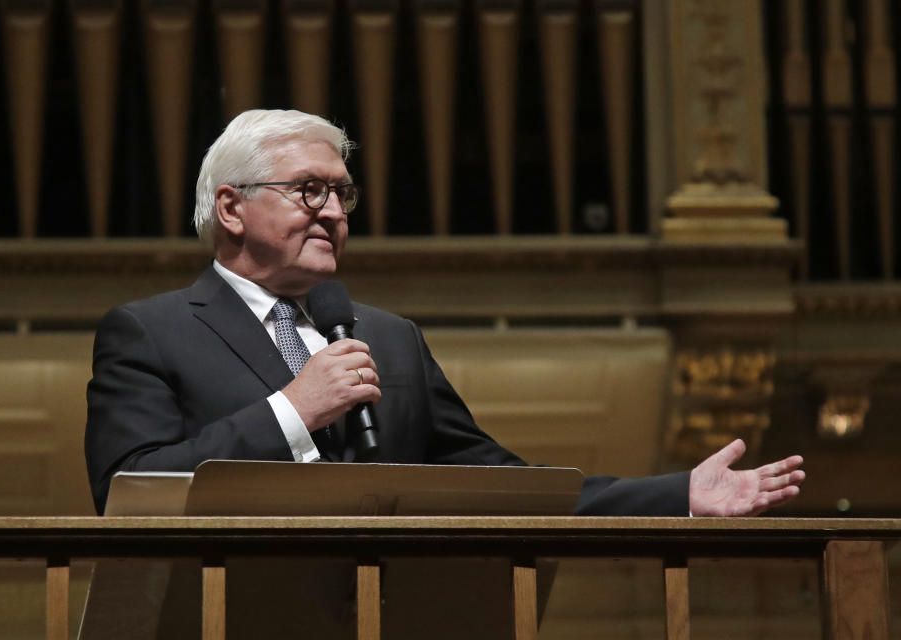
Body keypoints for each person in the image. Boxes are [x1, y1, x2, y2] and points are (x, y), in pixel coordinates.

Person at [85, 109, 804, 517]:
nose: (334, 213)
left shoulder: (388, 338)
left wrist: (676, 493)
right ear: (232, 207)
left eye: (343, 194)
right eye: (309, 190)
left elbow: (496, 483)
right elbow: (129, 491)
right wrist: (294, 411)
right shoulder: (151, 330)